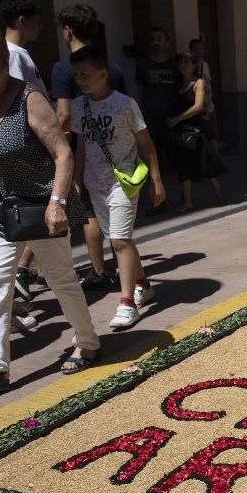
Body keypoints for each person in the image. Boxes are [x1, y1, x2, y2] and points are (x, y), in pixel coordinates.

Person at [0, 26, 101, 392]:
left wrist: (57, 202)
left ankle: (87, 342)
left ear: (6, 63)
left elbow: (62, 153)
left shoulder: (28, 98)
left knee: (60, 278)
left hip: (38, 208)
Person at [69, 45, 166, 330]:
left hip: (123, 181)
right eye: (77, 76)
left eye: (86, 75)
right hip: (94, 183)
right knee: (120, 238)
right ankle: (143, 285)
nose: (81, 81)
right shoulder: (78, 106)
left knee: (119, 240)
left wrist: (157, 180)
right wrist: (76, 184)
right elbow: (81, 148)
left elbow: (147, 144)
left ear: (103, 73)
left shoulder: (125, 104)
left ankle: (127, 303)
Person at [51, 4, 127, 289]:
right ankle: (126, 269)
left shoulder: (64, 68)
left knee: (89, 210)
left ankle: (98, 270)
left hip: (79, 149)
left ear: (67, 30)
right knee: (117, 211)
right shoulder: (112, 67)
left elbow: (63, 114)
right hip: (115, 148)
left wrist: (55, 147)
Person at [166, 51, 223, 210]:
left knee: (204, 164)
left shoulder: (200, 83)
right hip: (180, 131)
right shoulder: (177, 84)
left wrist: (177, 118)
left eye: (186, 62)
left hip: (197, 130)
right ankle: (188, 202)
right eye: (181, 62)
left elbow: (198, 106)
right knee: (183, 166)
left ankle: (216, 187)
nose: (182, 65)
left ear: (194, 65)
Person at [135, 27, 178, 215]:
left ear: (167, 43)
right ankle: (158, 202)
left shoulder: (176, 65)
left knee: (176, 161)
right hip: (150, 119)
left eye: (160, 39)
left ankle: (183, 197)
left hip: (172, 119)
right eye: (153, 39)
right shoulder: (143, 65)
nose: (156, 42)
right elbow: (140, 92)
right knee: (153, 162)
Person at [0, 0, 48, 98]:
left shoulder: (14, 51)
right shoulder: (12, 53)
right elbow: (17, 97)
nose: (40, 27)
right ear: (22, 21)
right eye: (37, 22)